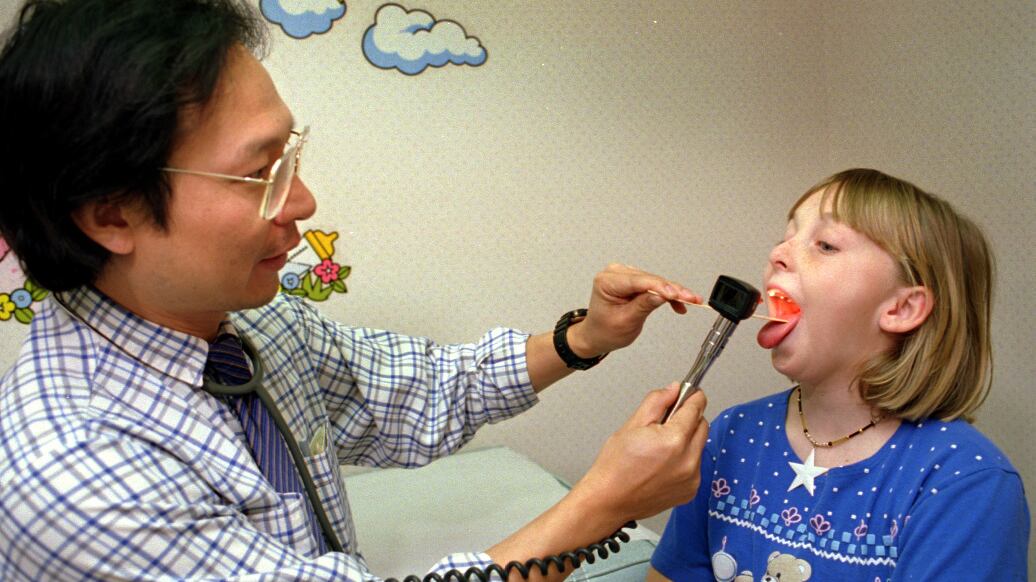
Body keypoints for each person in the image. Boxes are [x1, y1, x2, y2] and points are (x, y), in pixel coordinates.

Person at [0, 1, 713, 580]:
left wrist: (582, 339)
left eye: (292, 157)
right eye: (262, 175)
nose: (304, 202)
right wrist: (602, 505)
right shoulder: (72, 480)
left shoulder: (258, 326)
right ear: (112, 213)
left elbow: (415, 389)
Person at [648, 168, 1030, 580]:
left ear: (901, 309)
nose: (778, 254)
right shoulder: (732, 433)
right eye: (785, 238)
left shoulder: (967, 485)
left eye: (826, 245)